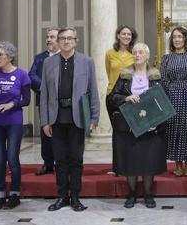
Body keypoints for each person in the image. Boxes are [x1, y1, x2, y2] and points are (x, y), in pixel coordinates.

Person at [40, 27, 100, 212]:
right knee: (60, 160)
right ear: (58, 42)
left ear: (75, 41)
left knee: (76, 159)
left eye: (69, 38)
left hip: (78, 117)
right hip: (56, 117)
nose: (66, 41)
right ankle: (61, 196)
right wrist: (44, 121)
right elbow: (44, 93)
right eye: (62, 38)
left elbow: (93, 91)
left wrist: (94, 117)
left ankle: (75, 197)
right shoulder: (48, 63)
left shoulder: (86, 61)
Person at [109, 43, 167, 209]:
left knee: (148, 161)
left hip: (151, 124)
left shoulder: (156, 75)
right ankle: (132, 194)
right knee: (131, 162)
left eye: (141, 52)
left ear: (147, 55)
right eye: (134, 52)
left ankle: (148, 194)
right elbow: (113, 97)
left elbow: (163, 98)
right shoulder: (125, 74)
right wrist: (126, 98)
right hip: (129, 125)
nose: (137, 55)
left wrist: (155, 120)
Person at [0, 41, 31, 210]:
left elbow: (26, 100)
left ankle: (15, 194)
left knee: (12, 158)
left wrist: (12, 104)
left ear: (10, 57)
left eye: (0, 54)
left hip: (14, 122)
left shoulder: (22, 75)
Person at [160, 26, 187, 177]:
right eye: (174, 37)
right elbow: (163, 79)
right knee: (174, 130)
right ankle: (178, 163)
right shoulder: (166, 58)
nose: (177, 39)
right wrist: (165, 99)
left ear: (185, 38)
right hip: (172, 96)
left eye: (180, 36)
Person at [105, 25, 137, 176]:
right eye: (123, 34)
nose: (126, 37)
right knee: (117, 133)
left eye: (129, 34)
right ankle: (117, 167)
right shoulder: (110, 53)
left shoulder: (135, 53)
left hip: (131, 97)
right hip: (113, 96)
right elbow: (109, 72)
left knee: (130, 132)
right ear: (118, 35)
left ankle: (130, 165)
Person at [29, 27, 59, 176]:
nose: (48, 39)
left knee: (60, 132)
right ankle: (47, 163)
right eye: (47, 37)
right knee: (45, 132)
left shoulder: (66, 57)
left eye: (52, 37)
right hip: (44, 101)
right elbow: (32, 75)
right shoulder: (40, 58)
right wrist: (44, 87)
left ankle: (61, 163)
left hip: (62, 103)